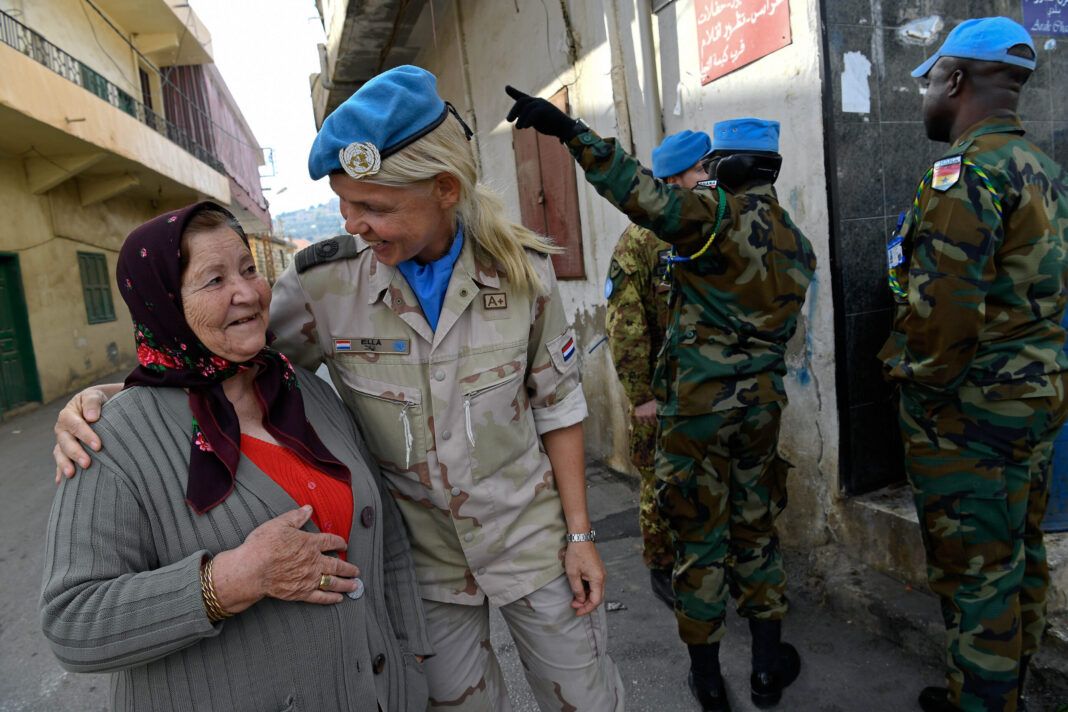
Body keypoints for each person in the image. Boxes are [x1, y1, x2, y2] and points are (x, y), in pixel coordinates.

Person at [53, 66, 623, 712]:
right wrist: (115, 395)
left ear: (443, 188)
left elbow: (558, 408)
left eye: (373, 207)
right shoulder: (326, 287)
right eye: (345, 202)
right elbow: (224, 352)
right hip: (428, 571)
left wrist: (580, 536)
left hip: (532, 544)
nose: (352, 223)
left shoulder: (522, 273)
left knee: (586, 700)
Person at [39, 202, 430, 712]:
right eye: (214, 280)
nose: (247, 292)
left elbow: (386, 539)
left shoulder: (306, 393)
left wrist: (409, 659)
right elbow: (72, 623)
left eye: (249, 269)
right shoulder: (111, 439)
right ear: (164, 304)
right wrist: (232, 580)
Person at [505, 88, 816, 711]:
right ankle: (764, 672)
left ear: (728, 167)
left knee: (699, 541)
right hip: (761, 406)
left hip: (699, 412)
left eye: (713, 163)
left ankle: (707, 680)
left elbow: (634, 188)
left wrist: (569, 130)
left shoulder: (714, 215)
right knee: (756, 533)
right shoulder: (796, 242)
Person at [876, 16, 1068, 712]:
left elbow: (943, 320)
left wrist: (912, 381)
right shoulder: (1043, 168)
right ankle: (997, 692)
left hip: (970, 419)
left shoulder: (964, 175)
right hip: (1035, 404)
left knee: (977, 579)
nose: (926, 95)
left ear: (955, 81)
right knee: (1017, 561)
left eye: (930, 80)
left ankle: (984, 700)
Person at [605, 129, 713, 608]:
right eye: (701, 170)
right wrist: (641, 395)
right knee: (658, 486)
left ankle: (703, 561)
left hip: (706, 390)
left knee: (702, 482)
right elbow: (625, 326)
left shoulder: (710, 226)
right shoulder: (640, 240)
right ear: (675, 179)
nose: (709, 177)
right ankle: (661, 567)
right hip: (661, 394)